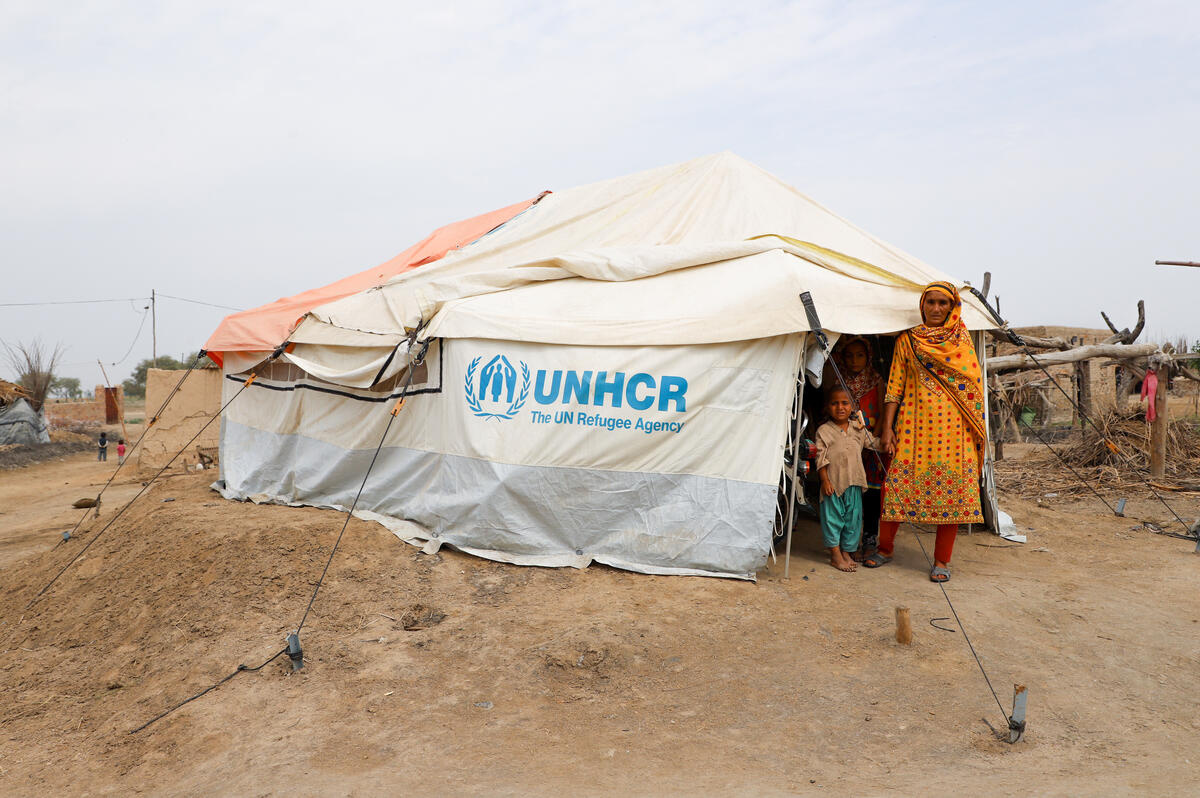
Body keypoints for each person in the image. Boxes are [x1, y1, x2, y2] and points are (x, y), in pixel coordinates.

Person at [863, 281, 986, 582]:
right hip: (913, 427)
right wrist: (887, 428)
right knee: (896, 487)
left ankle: (942, 561)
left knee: (953, 494)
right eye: (930, 302)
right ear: (922, 306)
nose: (935, 308)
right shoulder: (908, 340)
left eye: (942, 303)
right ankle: (885, 548)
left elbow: (974, 389)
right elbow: (894, 387)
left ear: (952, 306)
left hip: (955, 432)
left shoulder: (962, 341)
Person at [815, 386, 882, 572]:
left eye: (845, 403)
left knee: (852, 520)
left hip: (854, 482)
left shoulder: (858, 429)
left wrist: (889, 442)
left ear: (853, 406)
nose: (840, 407)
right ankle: (835, 554)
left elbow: (874, 443)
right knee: (833, 519)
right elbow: (820, 458)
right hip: (833, 483)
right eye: (834, 403)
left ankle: (846, 551)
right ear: (828, 407)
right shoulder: (824, 430)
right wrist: (825, 481)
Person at [834, 336, 888, 562]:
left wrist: (879, 436)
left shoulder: (876, 382)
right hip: (847, 446)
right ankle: (848, 541)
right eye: (849, 355)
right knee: (847, 492)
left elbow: (885, 413)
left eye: (860, 355)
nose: (854, 360)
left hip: (871, 444)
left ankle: (869, 539)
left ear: (868, 357)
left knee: (872, 494)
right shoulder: (838, 384)